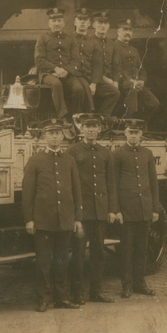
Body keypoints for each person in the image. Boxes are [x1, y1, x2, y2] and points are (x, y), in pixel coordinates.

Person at [22, 119, 83, 312]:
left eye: (58, 133)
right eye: (51, 133)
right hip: (43, 220)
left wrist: (77, 218)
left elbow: (76, 191)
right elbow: (28, 193)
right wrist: (29, 219)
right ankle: (44, 299)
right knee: (43, 263)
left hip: (65, 220)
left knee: (62, 262)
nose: (55, 136)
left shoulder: (69, 160)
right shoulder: (35, 160)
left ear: (63, 136)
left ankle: (61, 298)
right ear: (44, 136)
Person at [68, 116, 117, 304]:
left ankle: (96, 292)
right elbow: (69, 184)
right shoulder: (73, 151)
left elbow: (111, 183)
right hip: (82, 213)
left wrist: (112, 209)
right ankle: (77, 293)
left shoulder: (105, 153)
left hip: (100, 213)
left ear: (99, 130)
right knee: (79, 255)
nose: (90, 130)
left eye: (94, 127)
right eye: (87, 127)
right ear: (81, 129)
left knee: (98, 254)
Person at [112, 119, 159, 298]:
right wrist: (116, 210)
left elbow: (153, 183)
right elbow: (113, 184)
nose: (133, 136)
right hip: (127, 211)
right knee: (126, 250)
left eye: (136, 133)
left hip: (144, 210)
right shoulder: (117, 154)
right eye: (130, 132)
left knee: (142, 249)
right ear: (125, 134)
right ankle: (127, 285)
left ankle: (140, 283)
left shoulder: (147, 153)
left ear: (141, 135)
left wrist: (154, 209)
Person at [35, 7, 90, 119]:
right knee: (56, 84)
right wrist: (56, 69)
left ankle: (75, 117)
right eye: (54, 21)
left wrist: (66, 71)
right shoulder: (42, 38)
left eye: (59, 21)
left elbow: (76, 59)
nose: (56, 23)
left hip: (67, 73)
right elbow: (39, 60)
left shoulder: (70, 39)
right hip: (48, 73)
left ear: (63, 23)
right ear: (49, 23)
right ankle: (62, 116)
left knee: (79, 89)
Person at [112, 19, 159, 127]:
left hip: (136, 83)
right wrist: (131, 81)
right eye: (125, 30)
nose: (128, 33)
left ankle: (139, 124)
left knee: (154, 103)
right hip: (122, 82)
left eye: (130, 30)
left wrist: (142, 81)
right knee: (131, 89)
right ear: (118, 31)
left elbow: (141, 68)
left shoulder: (134, 50)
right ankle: (129, 125)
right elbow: (117, 67)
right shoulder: (114, 46)